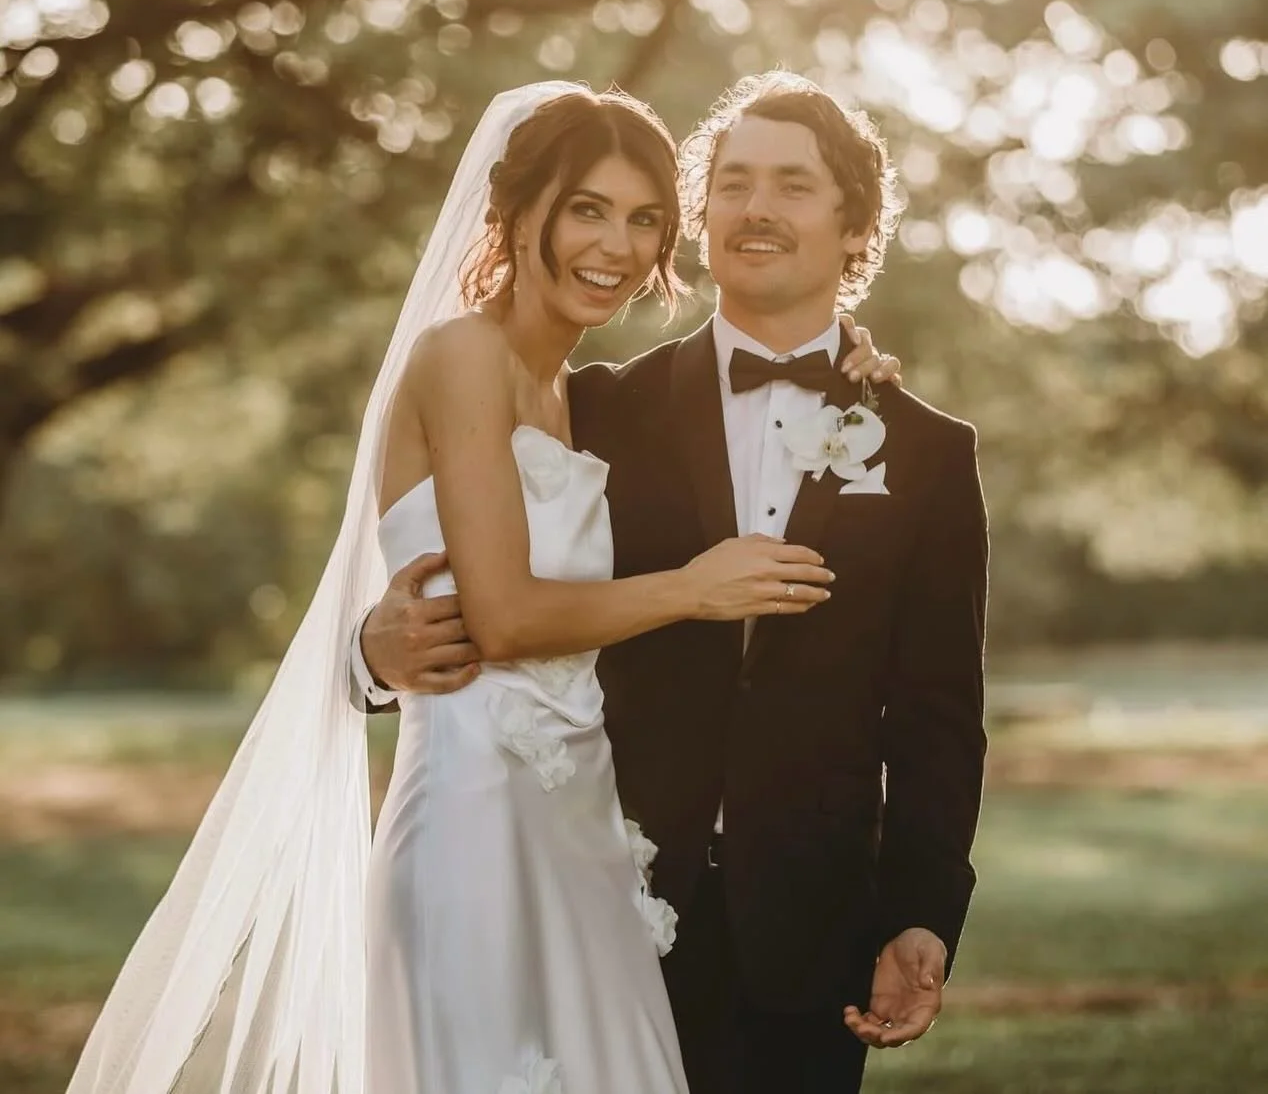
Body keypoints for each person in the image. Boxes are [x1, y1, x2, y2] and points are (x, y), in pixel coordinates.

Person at [63, 80, 896, 1094]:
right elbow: (497, 616)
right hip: (470, 828)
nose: (616, 246)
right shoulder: (457, 355)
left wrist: (844, 367)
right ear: (513, 209)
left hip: (582, 835)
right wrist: (690, 587)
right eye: (585, 208)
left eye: (643, 219)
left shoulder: (581, 398)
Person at [357, 71, 989, 1094]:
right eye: (731, 183)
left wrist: (917, 910)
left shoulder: (925, 453)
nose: (754, 207)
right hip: (600, 883)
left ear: (854, 225)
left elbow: (937, 714)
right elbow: (455, 567)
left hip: (808, 923)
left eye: (791, 184)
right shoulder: (589, 407)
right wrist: (371, 656)